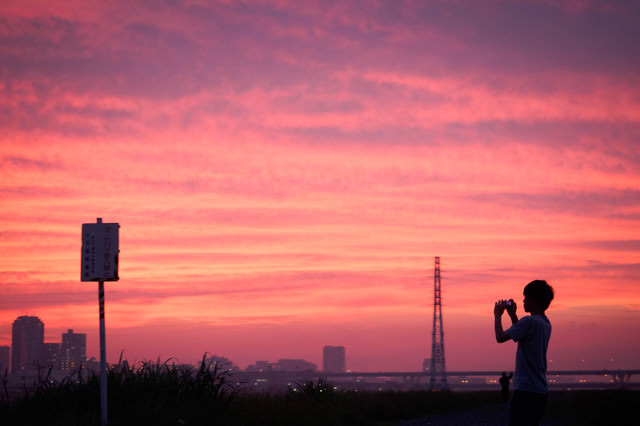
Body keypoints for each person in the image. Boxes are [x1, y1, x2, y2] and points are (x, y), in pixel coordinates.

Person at [494, 280, 554, 426]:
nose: (523, 300)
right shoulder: (545, 323)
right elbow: (521, 334)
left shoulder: (529, 321)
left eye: (526, 297)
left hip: (526, 389)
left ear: (533, 299)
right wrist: (513, 316)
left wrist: (497, 315)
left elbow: (500, 337)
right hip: (540, 390)